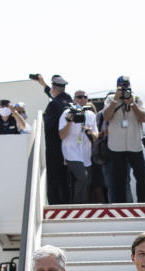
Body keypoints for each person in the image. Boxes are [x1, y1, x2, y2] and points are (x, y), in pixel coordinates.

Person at [102, 76, 145, 203]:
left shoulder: (137, 98)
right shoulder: (111, 99)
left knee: (141, 177)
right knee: (120, 179)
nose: (124, 89)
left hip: (135, 145)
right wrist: (116, 99)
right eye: (122, 86)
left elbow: (144, 118)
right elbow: (106, 117)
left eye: (126, 86)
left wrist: (132, 104)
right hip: (117, 146)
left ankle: (143, 202)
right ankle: (121, 204)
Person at [33, 74, 73, 205]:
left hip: (54, 147)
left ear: (54, 88)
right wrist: (43, 85)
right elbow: (55, 98)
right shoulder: (68, 100)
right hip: (67, 147)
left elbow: (46, 126)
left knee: (53, 179)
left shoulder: (53, 105)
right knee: (65, 179)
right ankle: (66, 203)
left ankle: (55, 204)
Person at [59, 90, 99, 204]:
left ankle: (83, 205)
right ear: (74, 99)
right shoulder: (66, 113)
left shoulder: (90, 115)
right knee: (83, 177)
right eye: (79, 97)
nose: (82, 99)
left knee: (86, 182)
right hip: (71, 152)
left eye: (85, 97)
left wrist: (91, 132)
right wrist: (69, 122)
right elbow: (61, 135)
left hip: (86, 154)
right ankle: (77, 206)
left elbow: (96, 136)